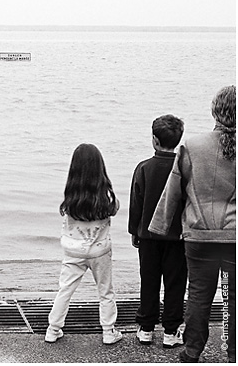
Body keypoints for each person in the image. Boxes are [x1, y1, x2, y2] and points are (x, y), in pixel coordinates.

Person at [149, 85, 236, 363]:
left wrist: (159, 228)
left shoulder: (192, 146)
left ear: (214, 110)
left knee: (199, 297)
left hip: (199, 237)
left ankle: (192, 351)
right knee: (234, 300)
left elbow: (173, 191)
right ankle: (233, 352)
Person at [45, 143, 123, 345]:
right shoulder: (106, 198)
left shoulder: (71, 197)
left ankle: (53, 329)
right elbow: (115, 209)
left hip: (73, 251)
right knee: (105, 291)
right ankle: (108, 331)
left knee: (66, 289)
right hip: (100, 252)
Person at [128, 114, 187, 348]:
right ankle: (171, 332)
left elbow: (136, 204)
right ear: (179, 140)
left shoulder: (144, 168)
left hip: (148, 237)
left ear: (154, 140)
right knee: (175, 283)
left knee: (149, 280)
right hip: (177, 237)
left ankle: (146, 328)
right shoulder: (183, 168)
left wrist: (135, 231)